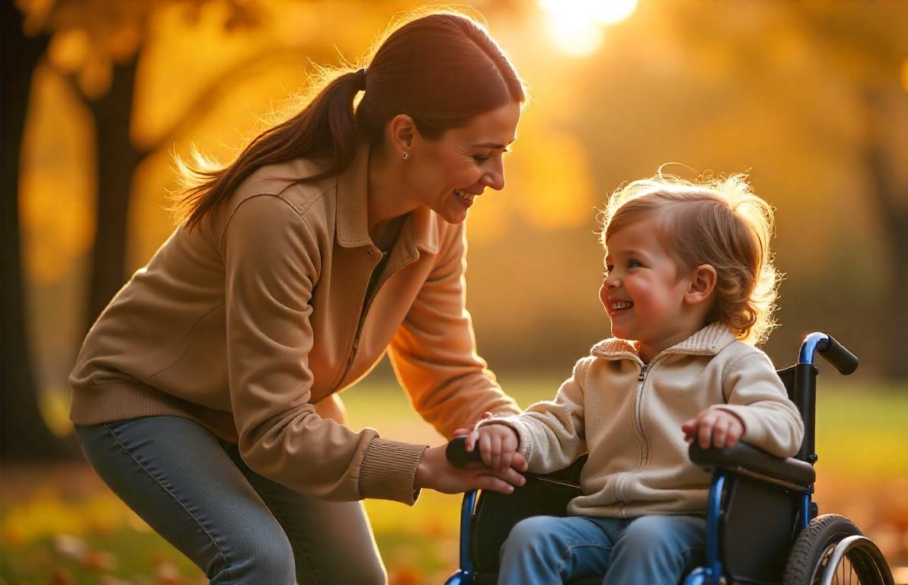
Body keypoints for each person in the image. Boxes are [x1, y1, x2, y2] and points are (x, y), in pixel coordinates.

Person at [69, 10, 531, 584]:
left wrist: (513, 432)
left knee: (355, 578)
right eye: (482, 154)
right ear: (406, 135)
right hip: (151, 399)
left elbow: (446, 370)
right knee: (258, 561)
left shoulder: (438, 216)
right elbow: (272, 427)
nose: (497, 178)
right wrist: (421, 465)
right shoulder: (280, 212)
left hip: (275, 410)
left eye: (503, 152)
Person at [466, 172, 805, 584]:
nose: (610, 279)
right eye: (609, 264)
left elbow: (785, 424)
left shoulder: (734, 364)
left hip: (693, 528)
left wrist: (739, 423)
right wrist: (512, 434)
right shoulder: (598, 370)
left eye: (632, 264)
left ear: (697, 284)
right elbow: (553, 428)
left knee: (647, 536)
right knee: (532, 535)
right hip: (599, 523)